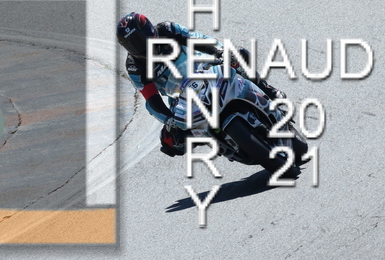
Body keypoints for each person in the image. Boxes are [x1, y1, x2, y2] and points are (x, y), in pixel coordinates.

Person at [116, 12, 285, 157]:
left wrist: (221, 52)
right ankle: (220, 142)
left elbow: (199, 39)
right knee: (170, 142)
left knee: (238, 56)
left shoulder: (167, 29)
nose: (139, 47)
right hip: (180, 96)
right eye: (132, 45)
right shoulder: (134, 66)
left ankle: (268, 91)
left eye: (140, 40)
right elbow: (152, 100)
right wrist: (168, 119)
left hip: (206, 70)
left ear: (150, 30)